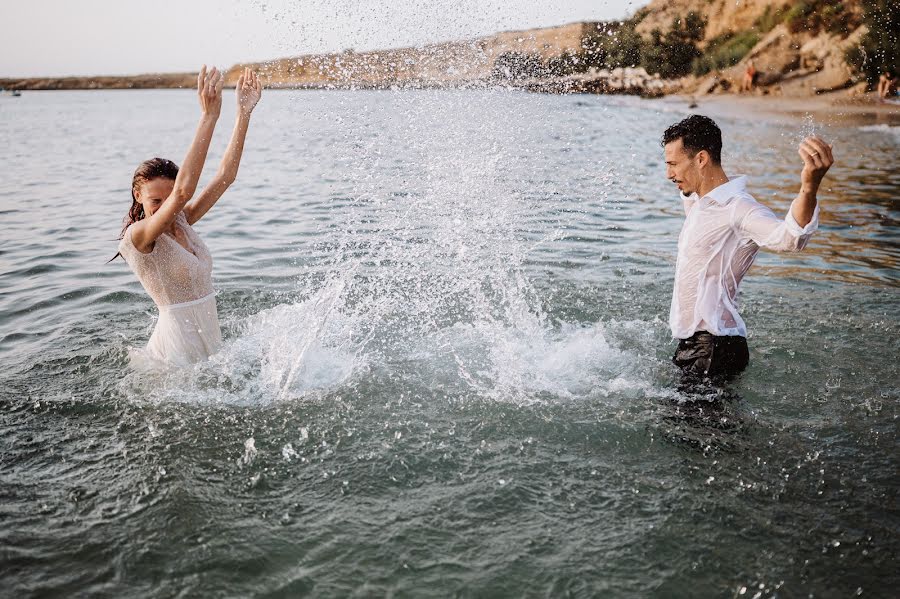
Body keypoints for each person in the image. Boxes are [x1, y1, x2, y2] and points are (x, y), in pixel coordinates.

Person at [661, 115, 833, 385]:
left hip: (714, 347)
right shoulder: (700, 202)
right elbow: (688, 193)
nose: (669, 174)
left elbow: (789, 238)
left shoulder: (738, 209)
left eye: (673, 165)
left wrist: (809, 186)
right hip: (697, 346)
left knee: (687, 427)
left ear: (701, 159)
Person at [115, 66, 262, 366]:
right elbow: (184, 191)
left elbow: (226, 177)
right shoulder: (139, 239)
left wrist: (243, 114)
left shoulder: (183, 220)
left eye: (169, 198)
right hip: (173, 358)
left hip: (209, 346)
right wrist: (209, 117)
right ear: (137, 196)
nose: (167, 207)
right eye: (156, 200)